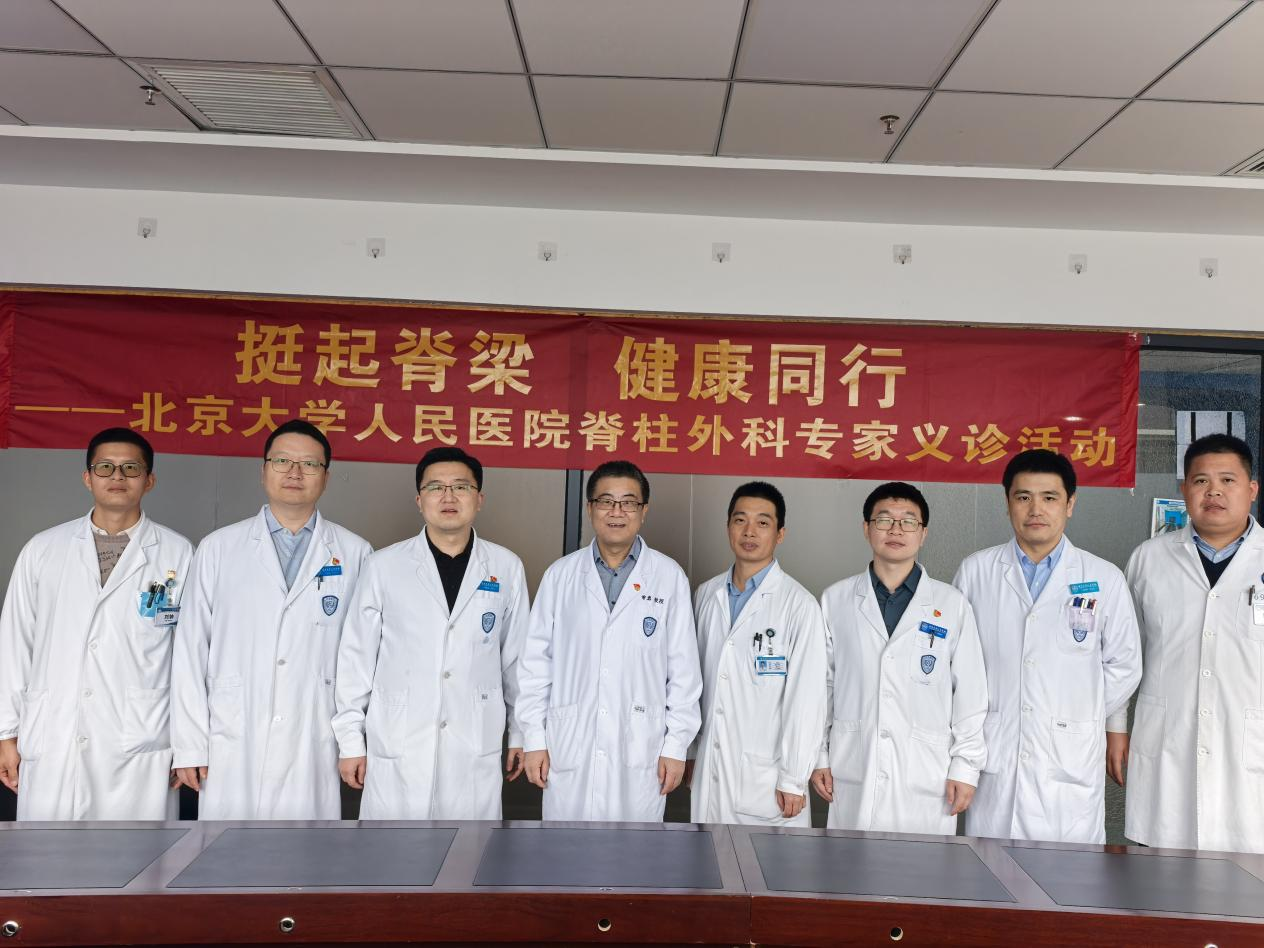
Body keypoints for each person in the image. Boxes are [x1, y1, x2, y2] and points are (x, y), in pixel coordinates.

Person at [171, 419, 371, 820]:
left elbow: (362, 656)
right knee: (223, 849)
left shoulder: (356, 553)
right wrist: (189, 743)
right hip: (233, 729)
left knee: (304, 850)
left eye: (309, 464)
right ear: (263, 471)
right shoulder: (218, 548)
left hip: (312, 729)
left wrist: (353, 740)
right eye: (282, 461)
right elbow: (190, 649)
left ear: (326, 477)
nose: (294, 472)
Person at [0, 428, 193, 820]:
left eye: (131, 468)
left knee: (135, 854)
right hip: (55, 732)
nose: (117, 476)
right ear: (88, 477)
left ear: (149, 480)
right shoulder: (43, 549)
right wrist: (7, 732)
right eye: (105, 467)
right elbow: (14, 644)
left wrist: (187, 742)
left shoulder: (178, 554)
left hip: (140, 738)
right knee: (48, 854)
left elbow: (190, 656)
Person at [954, 449, 1141, 845]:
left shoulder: (1103, 577)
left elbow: (1124, 664)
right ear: (1007, 503)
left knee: (1069, 874)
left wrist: (1077, 709)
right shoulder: (976, 572)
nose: (1035, 509)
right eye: (1023, 497)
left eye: (1049, 497)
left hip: (1069, 755)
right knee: (990, 869)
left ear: (1070, 504)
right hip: (997, 746)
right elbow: (956, 663)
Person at [333, 447, 529, 819]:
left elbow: (517, 662)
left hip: (473, 742)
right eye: (436, 487)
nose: (448, 496)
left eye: (461, 487)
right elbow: (356, 659)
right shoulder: (383, 566)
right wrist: (350, 740)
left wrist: (521, 733)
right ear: (419, 500)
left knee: (469, 849)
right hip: (399, 741)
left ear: (479, 499)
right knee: (392, 849)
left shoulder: (506, 567)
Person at [518, 460, 702, 821]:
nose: (617, 512)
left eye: (628, 502)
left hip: (641, 747)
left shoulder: (668, 577)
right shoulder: (560, 576)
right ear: (590, 508)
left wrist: (676, 745)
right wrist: (534, 739)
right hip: (569, 744)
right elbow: (535, 666)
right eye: (606, 501)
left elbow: (684, 673)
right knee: (565, 849)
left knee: (635, 849)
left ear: (644, 511)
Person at [1117, 433, 1263, 853]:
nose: (1213, 491)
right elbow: (1122, 656)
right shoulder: (1148, 559)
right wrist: (1116, 727)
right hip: (1166, 745)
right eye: (1201, 481)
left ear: (1252, 490)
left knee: (1248, 881)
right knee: (1159, 877)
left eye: (1227, 480)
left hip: (1249, 750)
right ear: (1184, 490)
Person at [814, 482, 986, 834]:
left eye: (908, 521)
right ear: (866, 528)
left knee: (921, 866)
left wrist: (966, 767)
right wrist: (818, 756)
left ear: (923, 533)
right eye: (884, 520)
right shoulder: (835, 600)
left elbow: (971, 694)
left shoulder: (951, 604)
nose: (895, 530)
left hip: (927, 773)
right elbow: (821, 689)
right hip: (854, 765)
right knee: (850, 864)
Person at [688, 482, 826, 826]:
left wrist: (794, 777)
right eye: (740, 520)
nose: (749, 531)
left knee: (767, 860)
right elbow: (693, 683)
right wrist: (691, 752)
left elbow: (806, 700)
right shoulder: (706, 595)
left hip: (769, 780)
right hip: (710, 766)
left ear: (780, 534)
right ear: (728, 527)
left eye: (763, 523)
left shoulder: (799, 605)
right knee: (707, 857)